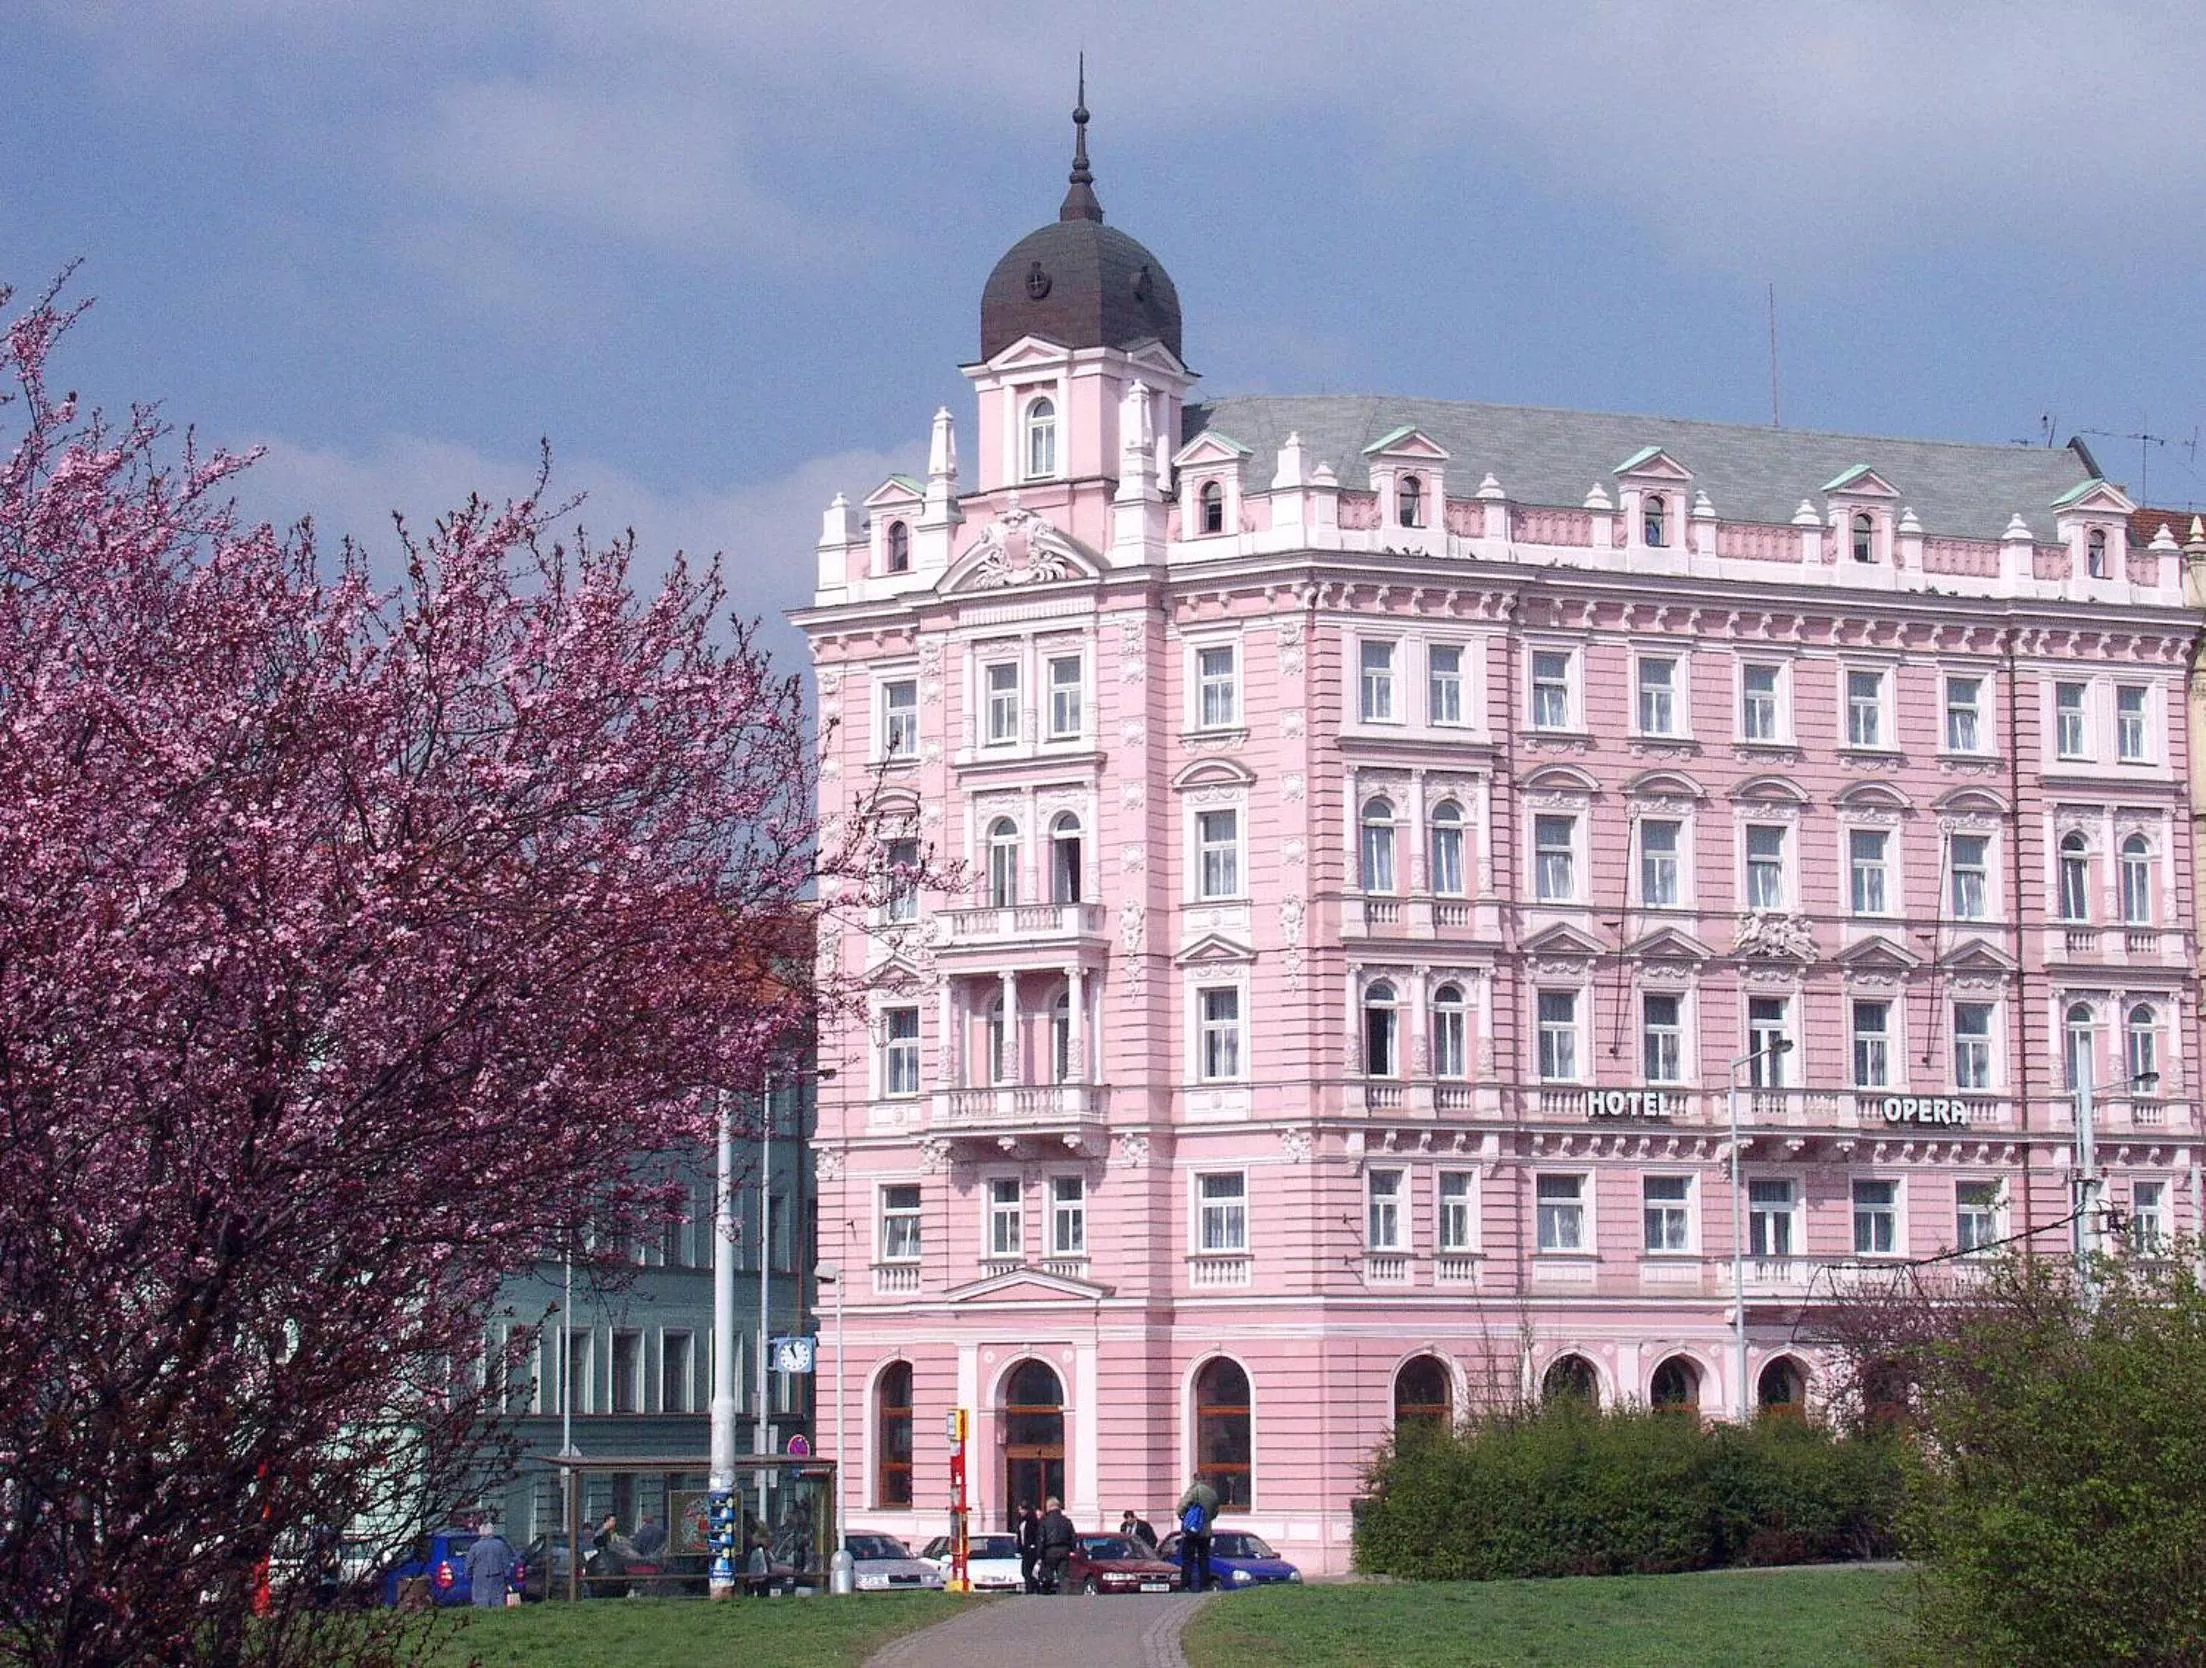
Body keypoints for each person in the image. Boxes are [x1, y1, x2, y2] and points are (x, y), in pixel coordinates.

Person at [1174, 1475, 1220, 1594]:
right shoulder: (1212, 1493)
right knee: (1204, 1559)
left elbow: (1181, 1507)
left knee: (1188, 1559)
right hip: (1206, 1531)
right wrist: (1206, 1519)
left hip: (1191, 1532)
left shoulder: (1194, 1490)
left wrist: (1184, 1517)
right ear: (1205, 1480)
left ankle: (1186, 1585)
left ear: (1195, 1479)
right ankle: (1204, 1584)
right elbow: (1215, 1512)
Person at [464, 1523, 515, 1609]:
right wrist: (507, 1576)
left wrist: (468, 1575)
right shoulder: (500, 1545)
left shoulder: (475, 1547)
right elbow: (506, 1562)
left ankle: (482, 1613)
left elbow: (469, 1564)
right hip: (498, 1575)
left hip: (480, 1576)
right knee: (498, 1598)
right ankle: (498, 1614)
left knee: (480, 1598)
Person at [1036, 1496, 1075, 1595]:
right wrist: (1072, 1549)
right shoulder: (1066, 1521)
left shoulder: (1045, 1521)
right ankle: (1065, 1595)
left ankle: (1046, 1594)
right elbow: (1072, 1536)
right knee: (1063, 1575)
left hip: (1049, 1551)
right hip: (1064, 1550)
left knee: (1047, 1574)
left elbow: (1041, 1538)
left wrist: (1039, 1554)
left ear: (1048, 1507)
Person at [1015, 1502, 1040, 1594]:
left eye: (1021, 1509)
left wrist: (1033, 1546)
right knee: (1026, 1571)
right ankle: (1035, 1587)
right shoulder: (1022, 1521)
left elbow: (1034, 1535)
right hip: (1025, 1550)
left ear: (1026, 1510)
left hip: (1031, 1550)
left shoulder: (1032, 1521)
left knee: (1026, 1570)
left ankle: (1031, 1589)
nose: (1019, 1511)